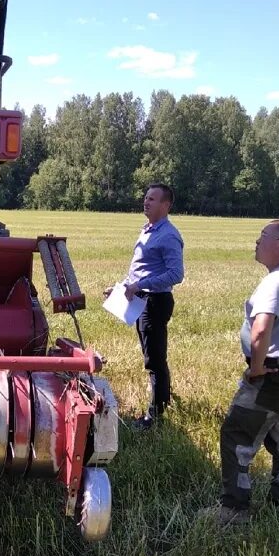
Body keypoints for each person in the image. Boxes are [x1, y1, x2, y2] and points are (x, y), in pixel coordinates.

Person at [216, 220, 279, 525]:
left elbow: (261, 331)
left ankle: (234, 509)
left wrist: (256, 368)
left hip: (270, 373)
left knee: (235, 435)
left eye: (263, 237)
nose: (256, 242)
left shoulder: (274, 282)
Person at [106, 182, 184, 428]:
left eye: (152, 199)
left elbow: (176, 274)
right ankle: (162, 400)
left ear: (166, 205)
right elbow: (141, 269)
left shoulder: (169, 235)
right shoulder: (149, 230)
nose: (146, 202)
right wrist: (121, 287)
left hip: (155, 302)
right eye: (146, 198)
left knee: (154, 359)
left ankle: (155, 416)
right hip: (142, 300)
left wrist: (140, 286)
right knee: (152, 355)